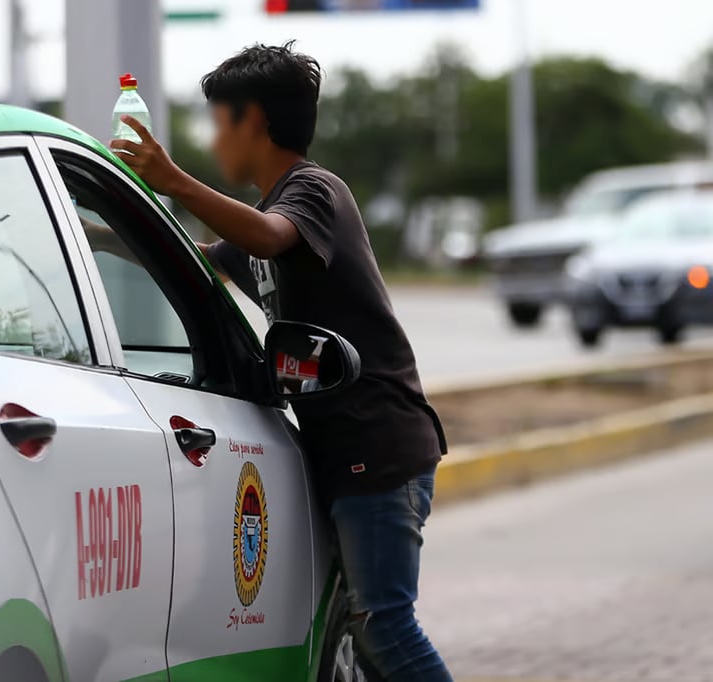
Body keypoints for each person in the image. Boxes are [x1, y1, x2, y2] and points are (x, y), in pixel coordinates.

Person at [110, 42, 452, 681]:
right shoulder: (271, 217)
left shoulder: (313, 191)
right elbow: (200, 254)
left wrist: (174, 179)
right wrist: (103, 225)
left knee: (385, 627)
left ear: (255, 122)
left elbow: (267, 236)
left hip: (377, 446)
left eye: (219, 123)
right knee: (362, 636)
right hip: (350, 449)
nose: (215, 142)